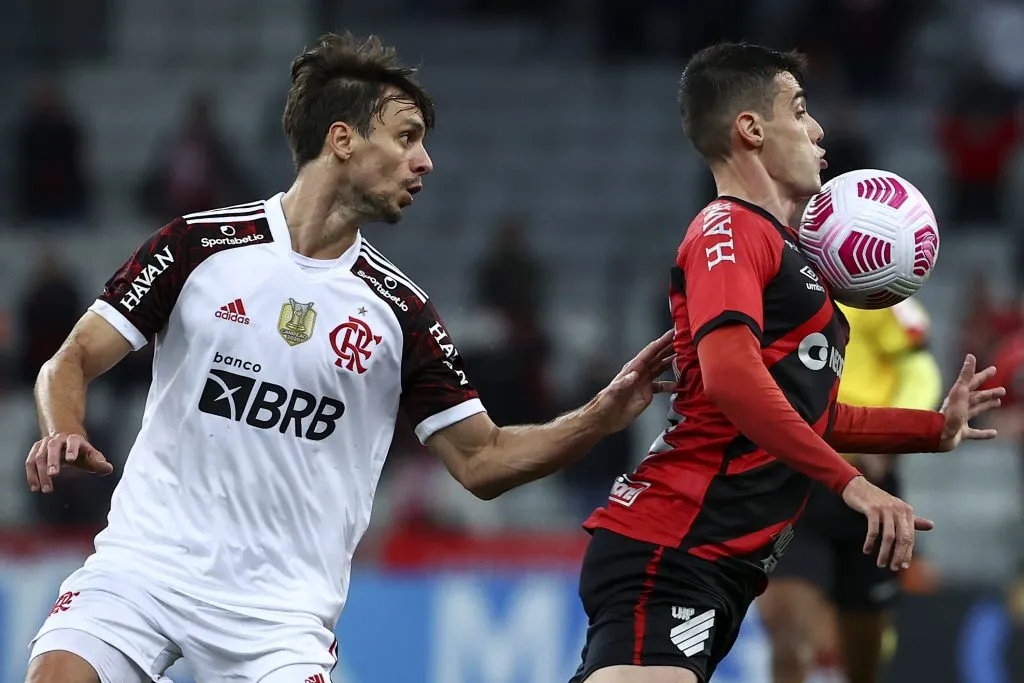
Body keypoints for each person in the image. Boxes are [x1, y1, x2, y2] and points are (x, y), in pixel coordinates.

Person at [22, 33, 675, 683]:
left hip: (279, 617)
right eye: (406, 137)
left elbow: (483, 461)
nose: (424, 162)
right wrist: (63, 428)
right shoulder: (196, 248)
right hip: (144, 569)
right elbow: (71, 358)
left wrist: (600, 413)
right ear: (343, 140)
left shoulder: (401, 312)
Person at [569, 42, 1004, 683]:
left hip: (713, 557)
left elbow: (808, 412)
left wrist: (930, 430)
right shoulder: (727, 230)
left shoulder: (787, 250)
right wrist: (850, 482)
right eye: (799, 111)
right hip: (674, 542)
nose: (818, 130)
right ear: (751, 129)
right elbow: (732, 379)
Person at [758, 298, 943, 683]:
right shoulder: (774, 283)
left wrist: (893, 434)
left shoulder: (881, 287)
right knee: (789, 633)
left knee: (864, 650)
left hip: (868, 484)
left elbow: (919, 369)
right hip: (792, 478)